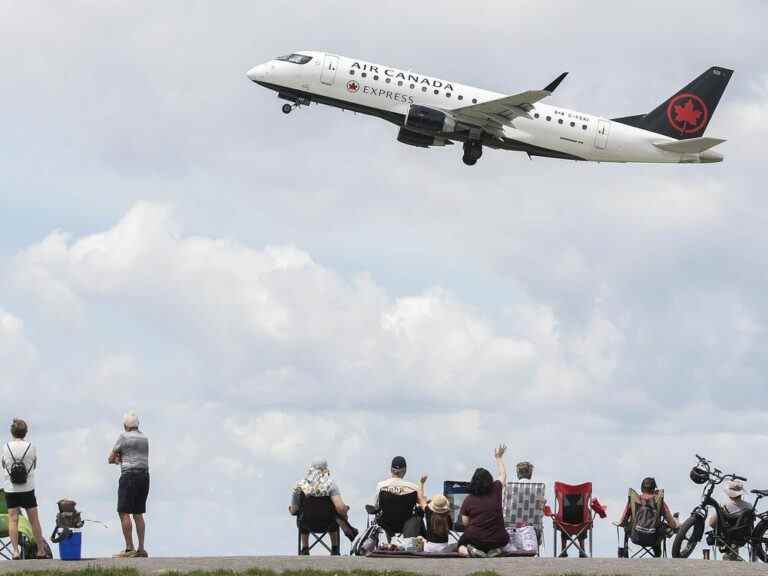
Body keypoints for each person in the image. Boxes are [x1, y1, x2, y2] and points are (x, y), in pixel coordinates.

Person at [289, 459, 358, 555]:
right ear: (325, 469)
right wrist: (345, 511)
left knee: (302, 517)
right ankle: (335, 548)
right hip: (328, 523)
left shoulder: (300, 485)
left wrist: (291, 510)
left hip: (307, 524)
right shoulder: (330, 485)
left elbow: (294, 510)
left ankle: (305, 548)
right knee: (335, 516)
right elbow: (340, 508)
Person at [1, 419, 48, 559]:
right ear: (25, 432)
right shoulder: (31, 447)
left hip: (11, 489)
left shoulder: (5, 447)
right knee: (34, 520)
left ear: (12, 432)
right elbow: (34, 466)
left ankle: (15, 552)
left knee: (13, 519)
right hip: (28, 488)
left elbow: (4, 465)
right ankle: (40, 550)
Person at [108, 411, 150, 558]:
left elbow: (111, 458)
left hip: (129, 476)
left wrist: (118, 459)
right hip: (144, 477)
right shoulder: (145, 438)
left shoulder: (123, 437)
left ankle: (129, 548)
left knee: (124, 511)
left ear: (125, 425)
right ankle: (141, 548)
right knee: (138, 513)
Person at [457, 444, 510, 557]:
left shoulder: (468, 499)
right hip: (498, 538)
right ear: (490, 480)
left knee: (461, 544)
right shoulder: (496, 489)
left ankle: (471, 552)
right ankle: (496, 551)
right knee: (504, 540)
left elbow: (465, 522)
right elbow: (503, 474)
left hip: (475, 539)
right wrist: (498, 457)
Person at [617, 476, 678, 556]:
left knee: (627, 525)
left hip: (636, 537)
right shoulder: (658, 501)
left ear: (642, 488)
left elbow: (622, 522)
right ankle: (657, 553)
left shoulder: (634, 500)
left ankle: (625, 552)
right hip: (654, 539)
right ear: (654, 489)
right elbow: (672, 524)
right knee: (662, 527)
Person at [707, 479, 752, 559]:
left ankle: (730, 554)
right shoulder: (749, 506)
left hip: (728, 535)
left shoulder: (725, 506)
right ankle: (733, 554)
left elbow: (711, 523)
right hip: (744, 536)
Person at [416, 476, 454, 552]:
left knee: (419, 538)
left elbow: (420, 497)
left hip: (429, 547)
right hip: (444, 548)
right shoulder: (447, 515)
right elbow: (451, 527)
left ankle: (419, 551)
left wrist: (422, 483)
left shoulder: (429, 511)